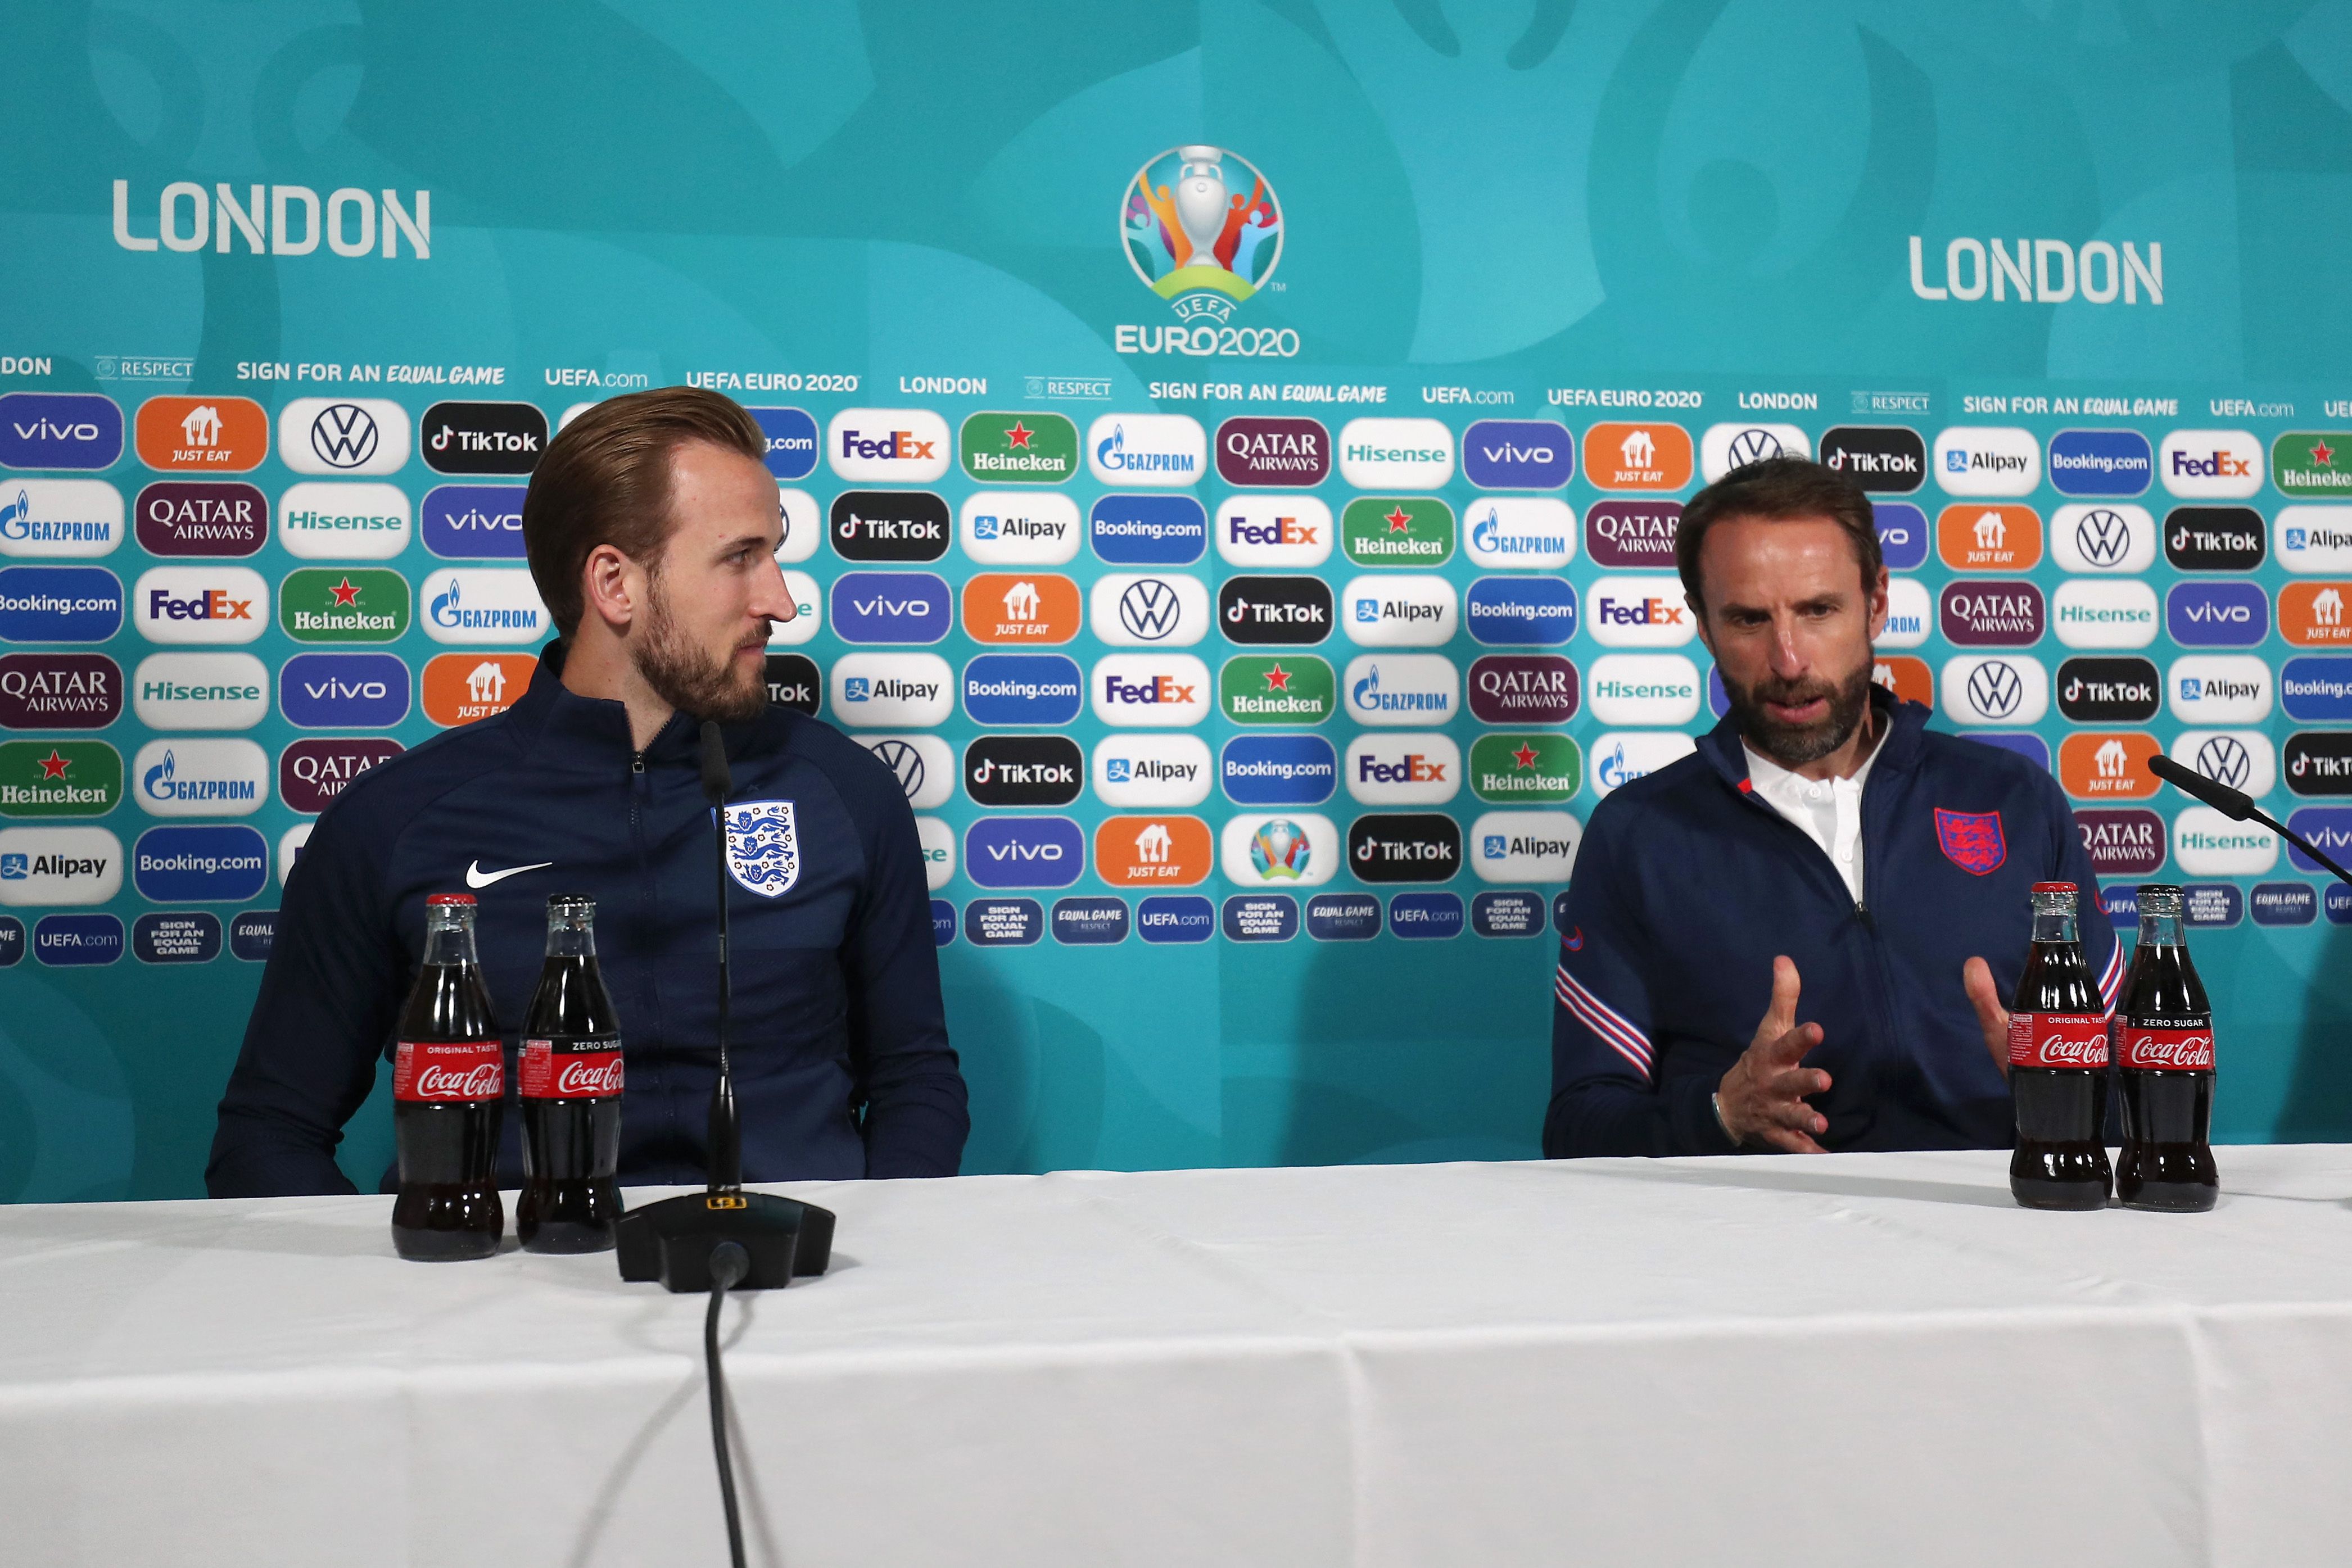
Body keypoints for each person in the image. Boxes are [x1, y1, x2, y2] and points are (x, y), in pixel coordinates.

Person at [208, 388, 968, 1195]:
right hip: (505, 1295)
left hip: (791, 1286)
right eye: (740, 557)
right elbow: (271, 1135)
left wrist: (872, 1261)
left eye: (774, 554)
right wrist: (417, 1304)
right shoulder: (392, 823)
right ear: (615, 584)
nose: (780, 599)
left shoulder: (846, 793)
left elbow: (915, 1082)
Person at [1546, 456, 2119, 1158]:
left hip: (2002, 1228)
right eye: (1748, 619)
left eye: (1818, 610)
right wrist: (1722, 1113)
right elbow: (1577, 1129)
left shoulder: (2012, 799)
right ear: (1702, 626)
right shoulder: (1640, 834)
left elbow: (2135, 1085)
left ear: (1875, 602)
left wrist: (2071, 1090)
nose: (1788, 660)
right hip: (1757, 1249)